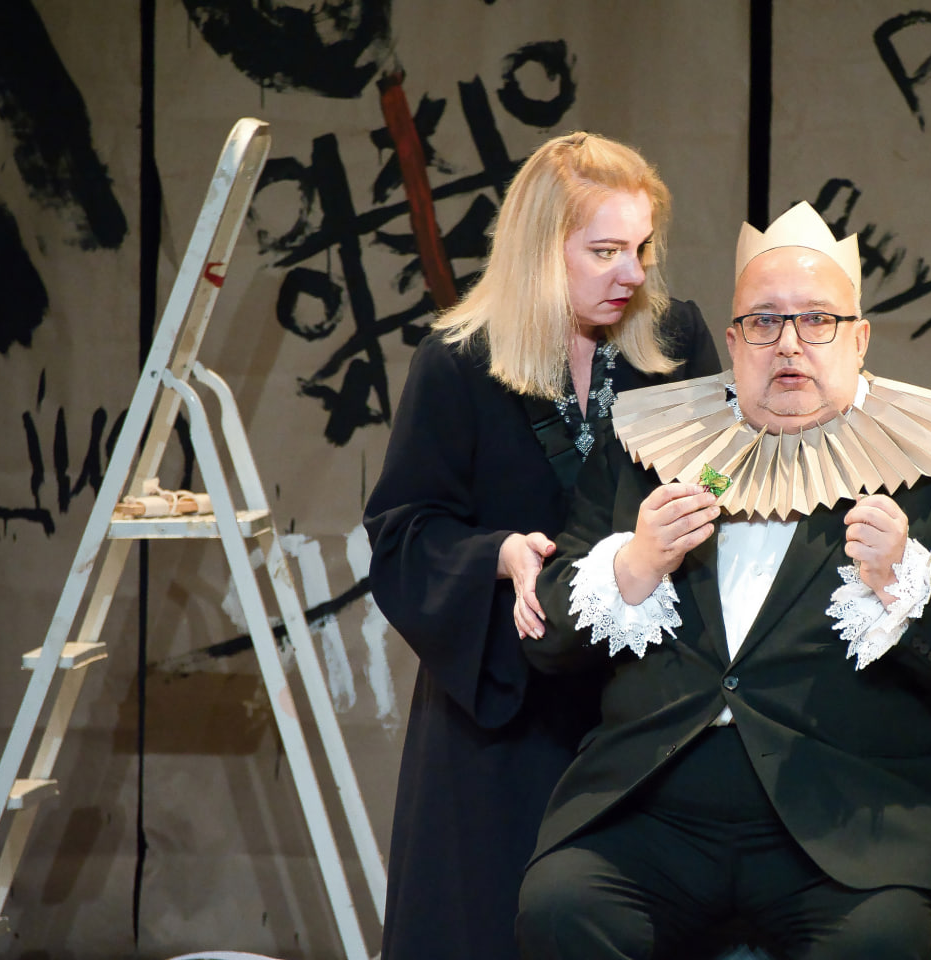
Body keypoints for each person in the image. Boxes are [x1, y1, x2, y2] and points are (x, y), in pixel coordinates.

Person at [517, 201, 931, 960]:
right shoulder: (645, 447)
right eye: (763, 322)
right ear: (732, 343)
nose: (789, 343)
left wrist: (903, 583)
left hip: (851, 820)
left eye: (817, 320)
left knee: (880, 944)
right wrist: (634, 565)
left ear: (859, 339)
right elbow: (547, 640)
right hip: (654, 815)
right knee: (561, 910)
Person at [363, 132, 721, 960]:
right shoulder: (456, 365)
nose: (631, 273)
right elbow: (403, 535)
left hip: (641, 709)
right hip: (504, 711)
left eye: (640, 248)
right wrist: (497, 554)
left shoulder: (675, 345)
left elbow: (722, 477)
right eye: (604, 251)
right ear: (539, 248)